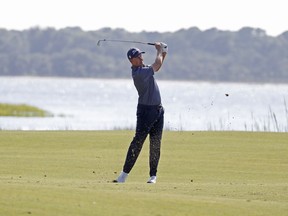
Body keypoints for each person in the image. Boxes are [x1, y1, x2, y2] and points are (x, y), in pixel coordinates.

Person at [114, 42, 167, 184]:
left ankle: (153, 176)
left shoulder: (143, 68)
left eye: (141, 55)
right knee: (138, 142)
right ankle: (123, 176)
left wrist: (163, 51)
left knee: (156, 143)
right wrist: (159, 51)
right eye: (138, 56)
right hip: (146, 111)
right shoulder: (138, 73)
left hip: (158, 110)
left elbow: (158, 64)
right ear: (132, 60)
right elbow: (156, 65)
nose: (142, 58)